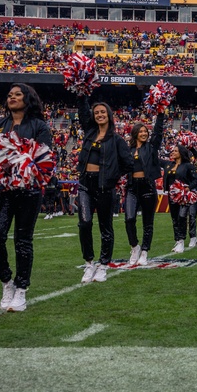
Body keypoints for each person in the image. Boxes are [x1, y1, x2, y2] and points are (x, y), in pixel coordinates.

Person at [0, 84, 53, 313]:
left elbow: (44, 156)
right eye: (10, 95)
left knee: (23, 241)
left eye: (17, 94)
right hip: (2, 190)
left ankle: (21, 288)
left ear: (28, 98)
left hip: (29, 190)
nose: (11, 97)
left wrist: (23, 166)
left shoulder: (39, 126)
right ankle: (7, 282)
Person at [76, 97, 134, 284]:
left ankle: (103, 265)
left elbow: (129, 164)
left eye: (103, 112)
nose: (99, 115)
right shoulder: (89, 133)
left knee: (105, 227)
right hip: (85, 185)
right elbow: (83, 112)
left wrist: (112, 176)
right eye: (96, 113)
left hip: (105, 188)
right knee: (84, 223)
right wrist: (81, 94)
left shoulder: (116, 140)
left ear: (109, 116)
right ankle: (89, 262)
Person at [125, 109, 166, 266]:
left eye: (145, 131)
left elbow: (158, 133)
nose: (143, 133)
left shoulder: (151, 148)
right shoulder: (128, 150)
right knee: (129, 219)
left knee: (148, 222)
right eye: (140, 131)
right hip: (131, 188)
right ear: (134, 133)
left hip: (148, 187)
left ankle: (144, 251)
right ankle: (135, 247)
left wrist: (160, 113)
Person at [165, 145, 197, 253]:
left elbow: (196, 180)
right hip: (172, 196)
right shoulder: (169, 165)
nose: (173, 152)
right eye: (173, 150)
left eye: (176, 151)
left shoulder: (188, 166)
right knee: (175, 218)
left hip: (183, 196)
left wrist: (188, 187)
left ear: (181, 153)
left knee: (182, 217)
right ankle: (178, 240)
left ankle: (181, 240)